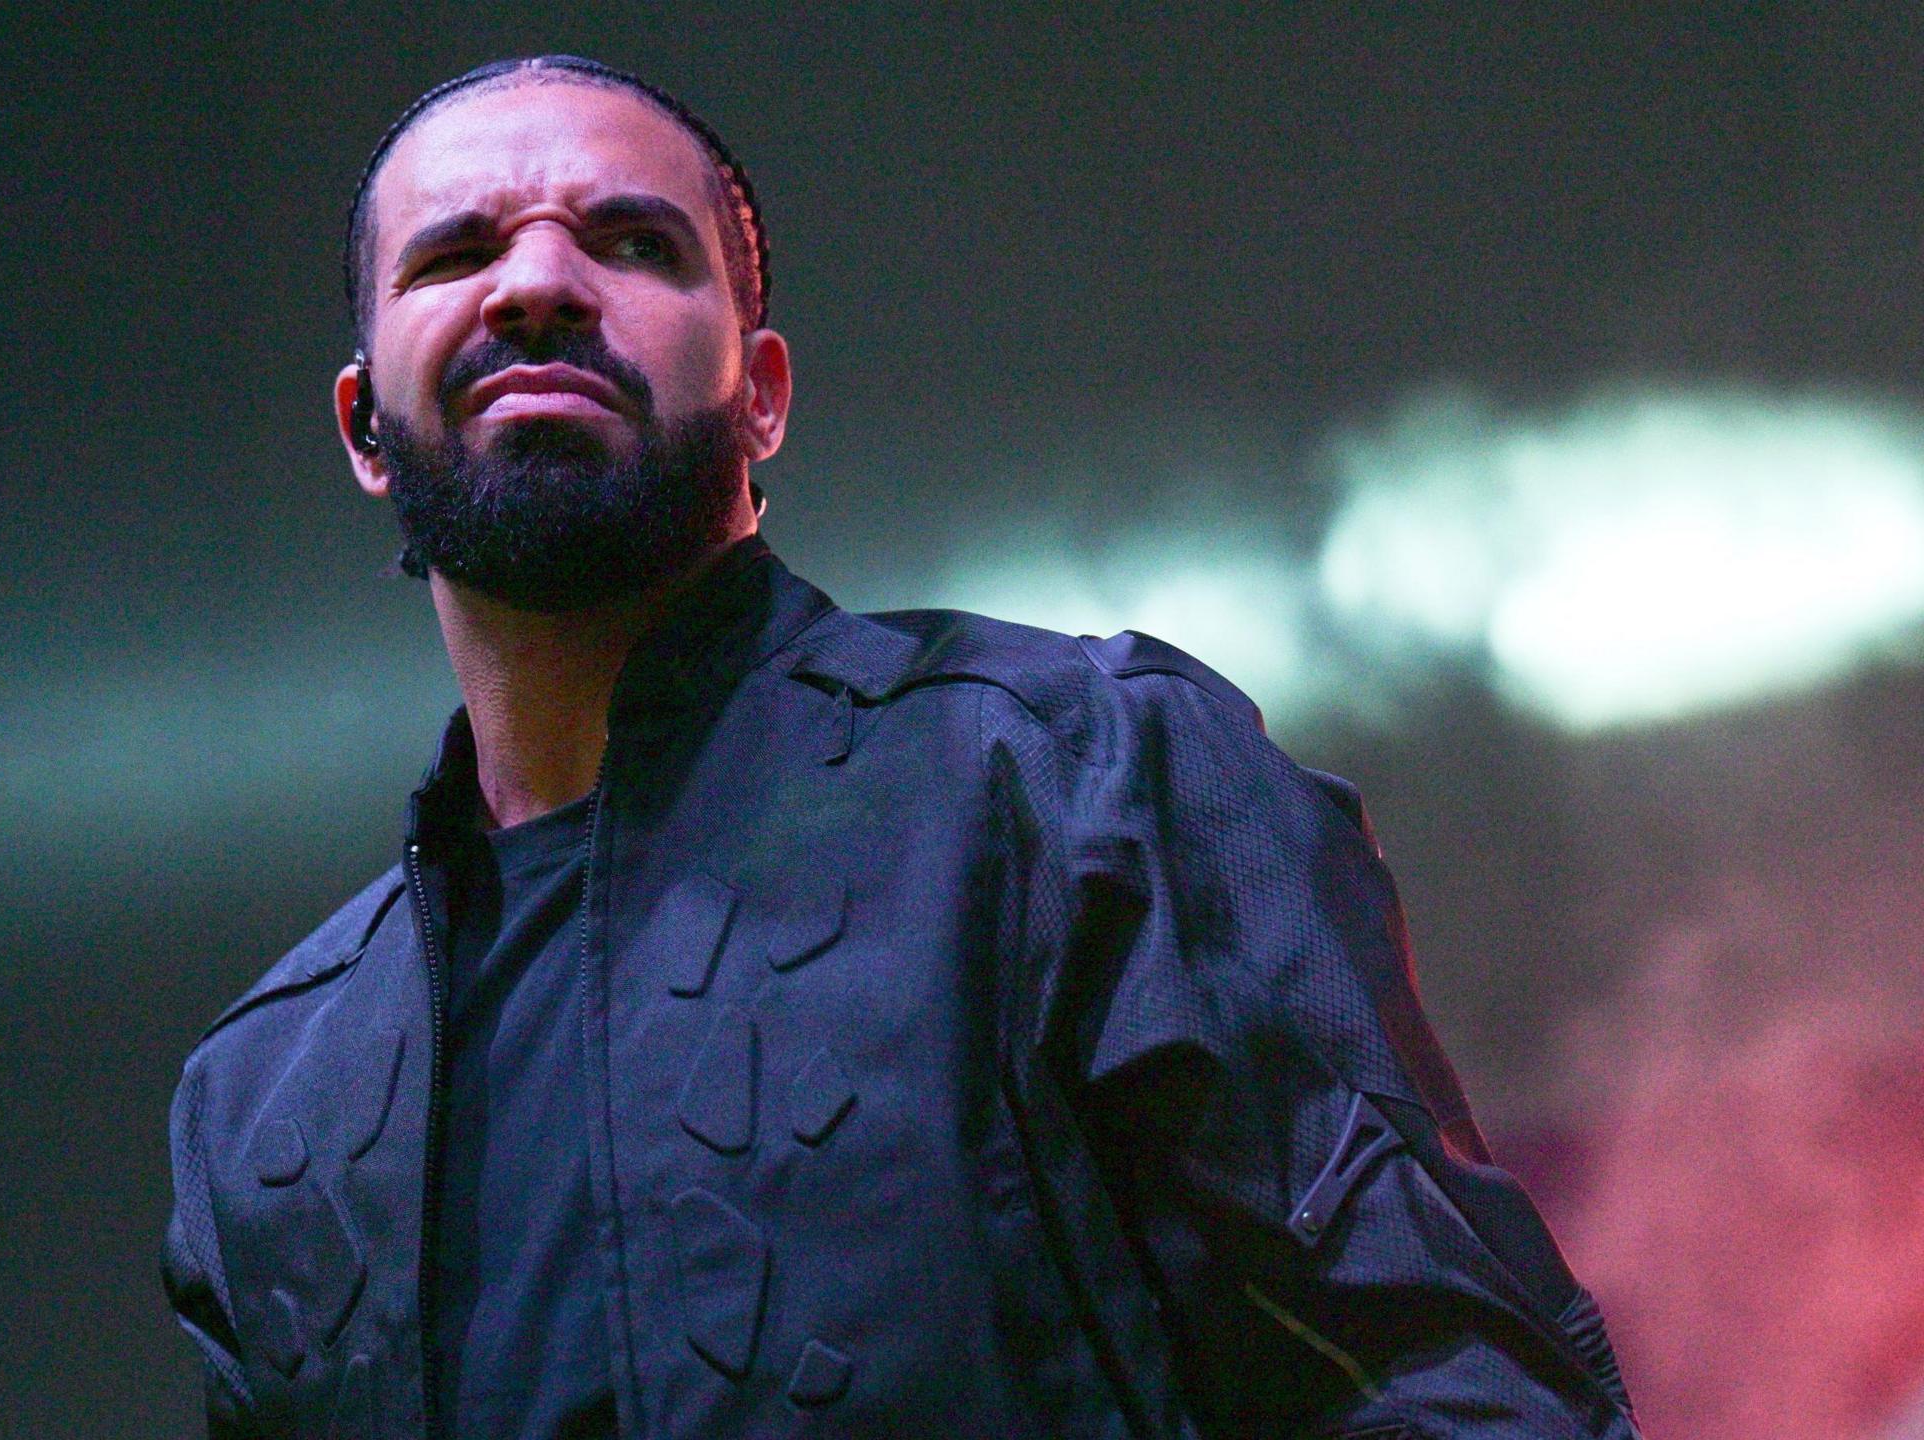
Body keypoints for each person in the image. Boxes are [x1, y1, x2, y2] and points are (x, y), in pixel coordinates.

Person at [163, 54, 1638, 1440]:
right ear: (364, 425)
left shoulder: (1076, 778)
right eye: (456, 253)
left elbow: (1445, 1377)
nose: (539, 282)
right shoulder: (269, 1094)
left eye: (630, 243)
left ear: (764, 393)